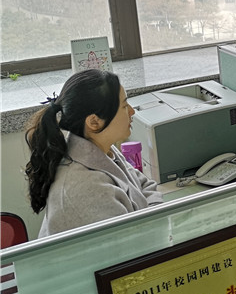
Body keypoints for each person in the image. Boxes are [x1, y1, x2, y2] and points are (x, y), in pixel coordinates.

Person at [25, 69, 162, 238]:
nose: (132, 111)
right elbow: (133, 241)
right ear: (94, 122)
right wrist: (156, 216)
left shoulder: (101, 150)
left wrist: (154, 214)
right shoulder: (86, 189)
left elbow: (144, 184)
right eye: (124, 106)